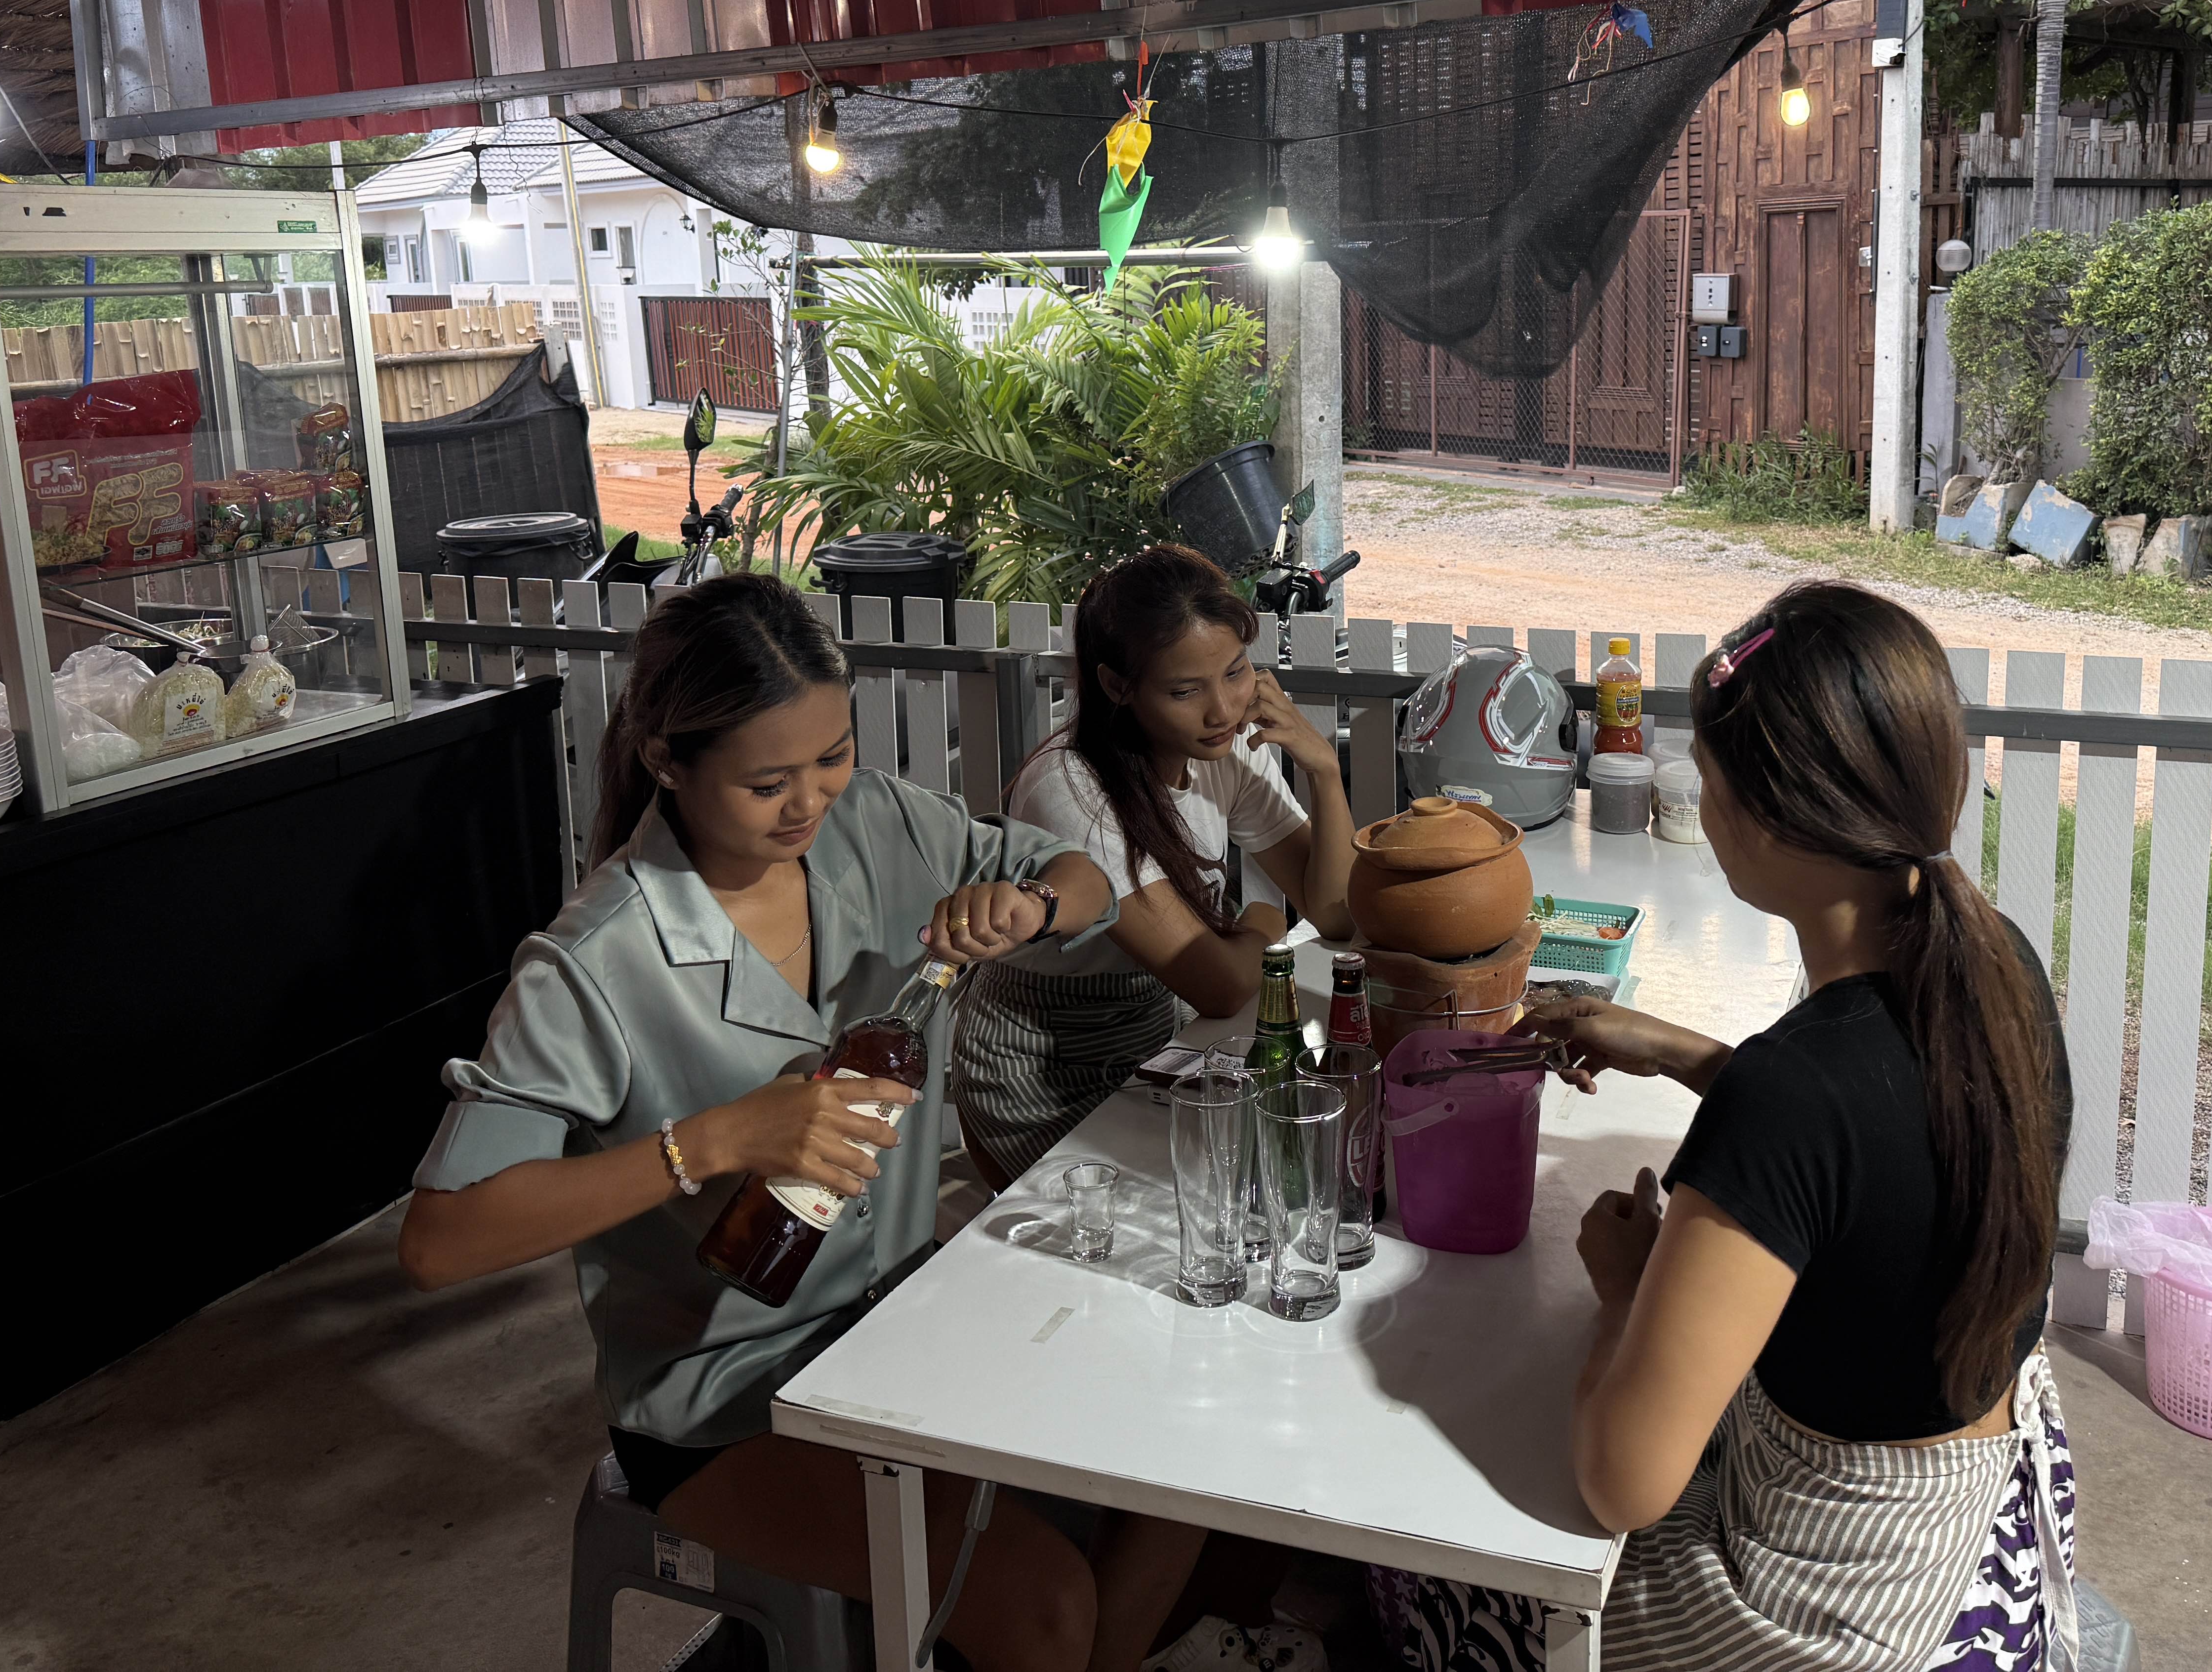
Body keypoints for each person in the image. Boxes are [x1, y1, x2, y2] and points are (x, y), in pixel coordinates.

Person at [398, 572, 1200, 1672]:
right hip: (726, 1396)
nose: (810, 802)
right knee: (1043, 1607)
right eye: (767, 782)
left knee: (1189, 1445)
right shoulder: (595, 964)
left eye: (834, 756)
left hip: (905, 1318)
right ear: (667, 761)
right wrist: (715, 1142)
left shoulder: (879, 826)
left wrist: (1034, 904)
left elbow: (1082, 878)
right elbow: (443, 1238)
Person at [1378, 582, 2076, 1672]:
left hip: (1840, 1610)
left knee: (1421, 1564)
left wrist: (1622, 1292)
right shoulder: (1995, 967)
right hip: (1987, 1520)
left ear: (1769, 816)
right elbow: (1871, 1154)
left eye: (1708, 781)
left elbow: (1624, 1486)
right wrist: (1681, 1053)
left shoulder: (1791, 1097)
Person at [951, 543, 1356, 1187]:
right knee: (1194, 1211)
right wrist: (1265, 923)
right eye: (1184, 690)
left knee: (1261, 1184)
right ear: (1118, 686)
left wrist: (1325, 773)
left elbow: (1336, 913)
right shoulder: (1072, 792)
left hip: (1159, 1038)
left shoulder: (1226, 745)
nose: (1223, 709)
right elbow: (1220, 986)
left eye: (1236, 672)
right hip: (1041, 1072)